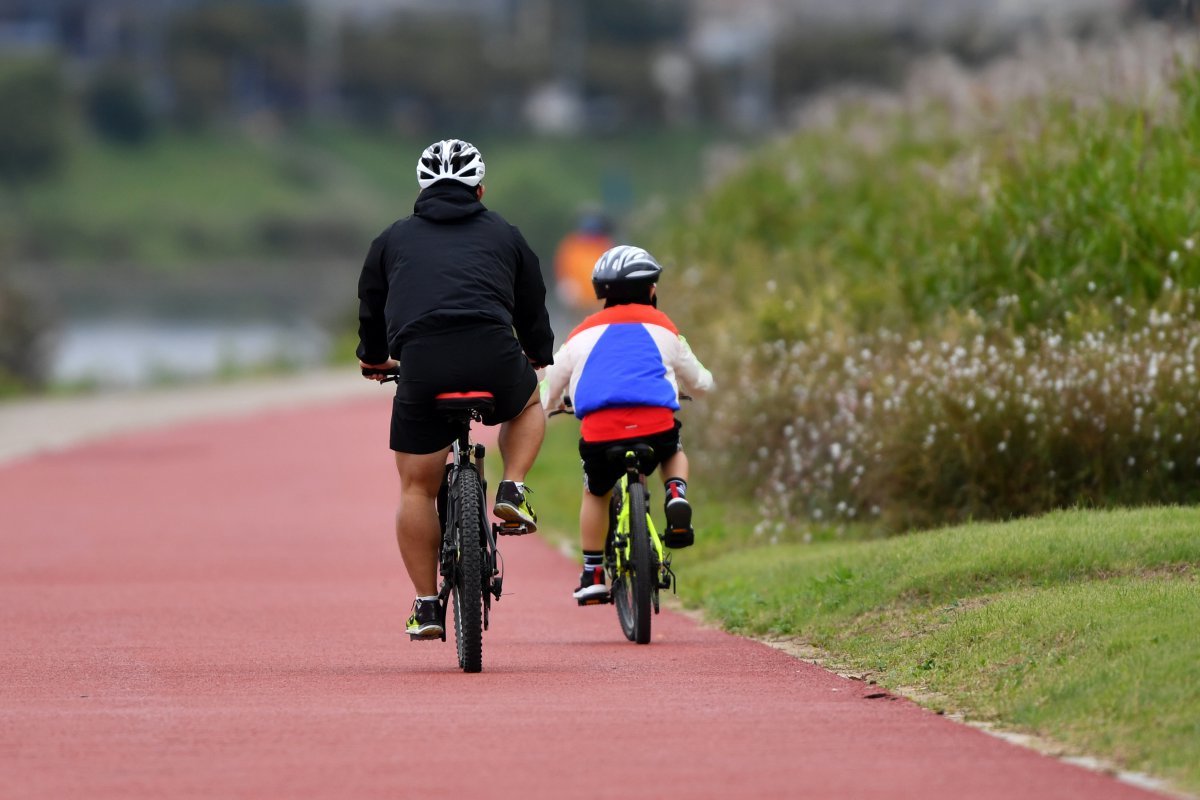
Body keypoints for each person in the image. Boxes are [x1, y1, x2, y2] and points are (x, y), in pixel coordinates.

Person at [357, 138, 554, 638]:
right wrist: (538, 353)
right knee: (530, 399)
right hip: (493, 353)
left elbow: (372, 303)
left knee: (416, 487)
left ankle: (426, 606)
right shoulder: (506, 235)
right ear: (480, 190)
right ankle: (513, 486)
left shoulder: (392, 239)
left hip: (422, 363)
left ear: (422, 188)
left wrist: (375, 356)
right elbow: (532, 299)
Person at [541, 245, 714, 602]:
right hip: (656, 427)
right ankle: (676, 493)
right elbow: (700, 381)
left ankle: (593, 572)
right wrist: (697, 385)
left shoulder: (580, 334)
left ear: (601, 292)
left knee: (596, 491)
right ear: (652, 289)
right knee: (673, 450)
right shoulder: (665, 328)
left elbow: (549, 388)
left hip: (601, 433)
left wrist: (555, 404)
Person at [552, 210, 614, 315]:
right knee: (568, 288)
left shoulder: (606, 245)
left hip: (600, 297)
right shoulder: (571, 245)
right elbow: (562, 271)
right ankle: (575, 318)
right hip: (578, 297)